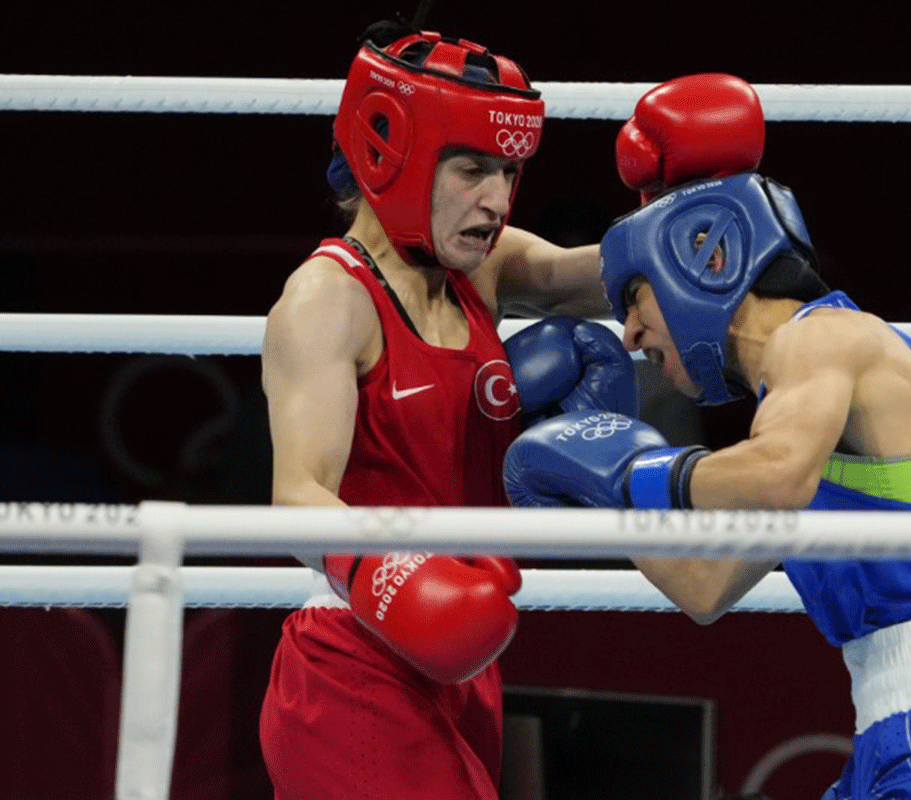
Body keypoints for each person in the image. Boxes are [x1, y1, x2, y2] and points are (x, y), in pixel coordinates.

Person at [501, 73, 911, 799]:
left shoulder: (824, 340)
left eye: (634, 300)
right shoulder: (811, 413)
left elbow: (775, 475)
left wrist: (633, 463)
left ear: (695, 262)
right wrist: (591, 452)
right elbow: (703, 584)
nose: (631, 333)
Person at [257, 19, 637, 800]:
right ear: (389, 154)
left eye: (509, 170)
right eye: (472, 169)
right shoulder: (329, 299)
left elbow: (589, 273)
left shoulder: (481, 267)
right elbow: (296, 497)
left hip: (466, 659)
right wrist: (401, 584)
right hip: (354, 656)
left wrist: (698, 214)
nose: (497, 200)